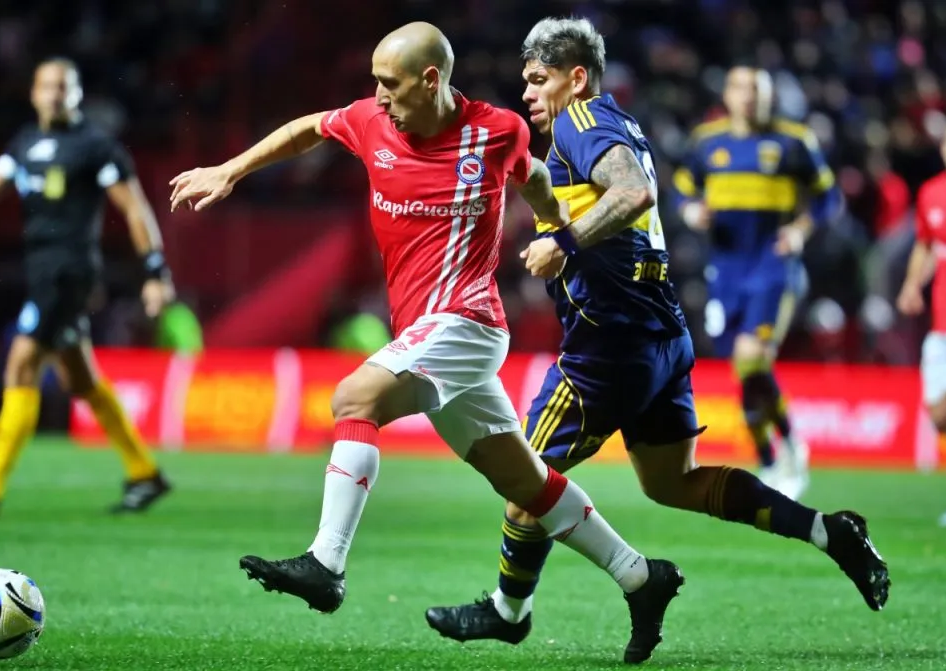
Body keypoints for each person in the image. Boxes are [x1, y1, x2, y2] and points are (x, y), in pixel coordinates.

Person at [169, 22, 683, 662]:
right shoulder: (368, 122)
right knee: (525, 483)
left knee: (355, 398)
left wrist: (559, 229)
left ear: (431, 80)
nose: (378, 97)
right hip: (423, 330)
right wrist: (231, 168)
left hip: (467, 321)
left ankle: (326, 563)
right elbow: (307, 128)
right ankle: (641, 576)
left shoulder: (496, 130)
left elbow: (531, 179)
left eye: (390, 84)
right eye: (375, 84)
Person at [423, 18, 890, 662]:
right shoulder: (614, 124)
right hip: (660, 336)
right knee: (673, 483)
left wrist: (562, 241)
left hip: (608, 348)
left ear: (576, 77)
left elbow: (635, 192)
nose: (528, 93)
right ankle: (828, 532)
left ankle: (513, 610)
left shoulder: (582, 122)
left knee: (525, 479)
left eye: (539, 79)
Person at [0, 58, 174, 516]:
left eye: (63, 87)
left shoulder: (95, 147)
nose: (54, 94)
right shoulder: (25, 143)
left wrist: (154, 270)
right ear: (33, 92)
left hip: (69, 273)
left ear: (77, 95)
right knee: (80, 378)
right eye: (46, 86)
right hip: (40, 269)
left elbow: (135, 209)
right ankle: (144, 473)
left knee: (21, 364)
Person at [671, 66, 842, 499]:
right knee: (745, 370)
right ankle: (772, 458)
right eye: (742, 88)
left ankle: (788, 449)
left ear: (770, 96)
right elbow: (679, 191)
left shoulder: (793, 141)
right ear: (727, 95)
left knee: (750, 360)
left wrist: (801, 229)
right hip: (725, 270)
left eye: (758, 90)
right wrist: (691, 211)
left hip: (772, 265)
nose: (749, 97)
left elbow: (828, 197)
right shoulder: (708, 143)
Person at [897, 106, 946, 526]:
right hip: (942, 323)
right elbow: (926, 245)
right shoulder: (931, 193)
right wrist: (912, 284)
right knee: (944, 416)